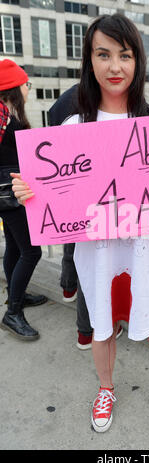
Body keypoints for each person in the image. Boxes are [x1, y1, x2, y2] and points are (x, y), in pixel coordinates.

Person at [12, 14, 149, 441]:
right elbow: (53, 192)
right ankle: (106, 389)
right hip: (99, 247)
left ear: (138, 62)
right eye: (103, 54)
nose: (115, 66)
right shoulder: (74, 128)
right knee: (102, 326)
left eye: (124, 55)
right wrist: (31, 191)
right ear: (90, 60)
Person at [48, 93, 123, 349]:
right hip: (98, 196)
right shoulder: (101, 102)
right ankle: (88, 331)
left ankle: (68, 293)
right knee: (93, 267)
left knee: (74, 253)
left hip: (71, 192)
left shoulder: (61, 103)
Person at [0, 59, 48, 341]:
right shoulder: (12, 124)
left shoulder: (3, 119)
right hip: (12, 195)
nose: (28, 89)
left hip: (3, 197)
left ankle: (15, 296)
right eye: (26, 84)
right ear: (15, 89)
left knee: (16, 248)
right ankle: (13, 312)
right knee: (32, 251)